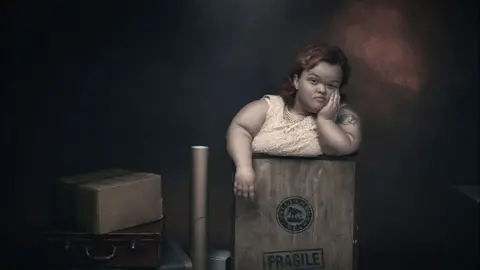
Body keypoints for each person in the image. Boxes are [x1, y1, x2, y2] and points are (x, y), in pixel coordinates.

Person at [226, 43, 362, 199]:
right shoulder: (271, 108)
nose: (322, 90)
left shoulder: (343, 116)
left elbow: (340, 148)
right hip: (260, 203)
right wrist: (244, 168)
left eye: (331, 85)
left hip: (319, 207)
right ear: (297, 81)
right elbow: (239, 129)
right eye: (314, 81)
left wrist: (325, 120)